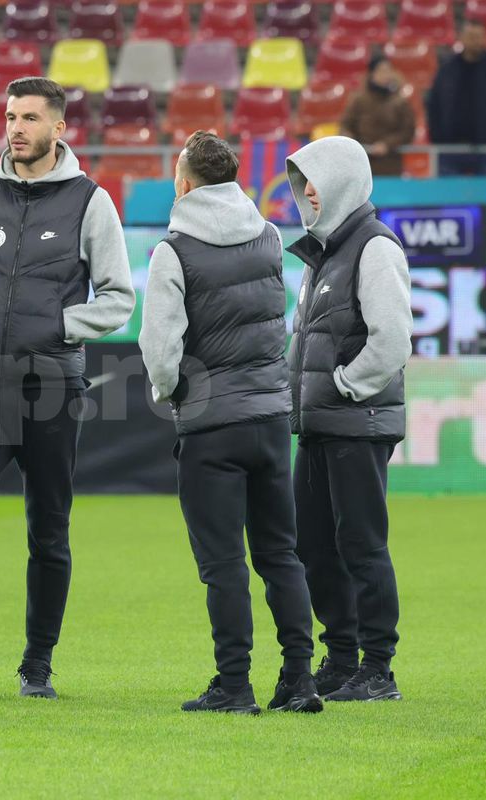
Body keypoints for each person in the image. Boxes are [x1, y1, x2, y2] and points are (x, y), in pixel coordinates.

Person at [0, 76, 134, 701]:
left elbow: (119, 298)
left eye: (30, 118)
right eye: (11, 117)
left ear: (59, 128)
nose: (16, 128)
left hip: (52, 383)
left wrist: (58, 327)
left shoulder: (91, 202)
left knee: (49, 530)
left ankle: (37, 666)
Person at [139, 131, 321, 715]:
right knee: (281, 555)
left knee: (223, 565)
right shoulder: (268, 236)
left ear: (184, 183)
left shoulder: (173, 251)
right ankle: (300, 679)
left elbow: (160, 349)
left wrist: (172, 393)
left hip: (211, 425)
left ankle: (235, 684)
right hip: (269, 418)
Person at [283, 136, 412, 702]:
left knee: (361, 544)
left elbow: (392, 341)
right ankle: (340, 658)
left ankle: (378, 669)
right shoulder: (324, 253)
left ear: (343, 180)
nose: (306, 191)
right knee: (312, 544)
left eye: (315, 178)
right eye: (302, 181)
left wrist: (341, 387)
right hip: (319, 424)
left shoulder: (374, 246)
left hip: (356, 421)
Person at [426, 19, 486, 176]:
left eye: (478, 36)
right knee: (449, 191)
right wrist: (438, 138)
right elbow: (434, 105)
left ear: (485, 38)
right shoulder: (447, 70)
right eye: (470, 36)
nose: (474, 41)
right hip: (450, 148)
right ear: (461, 38)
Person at [339, 55, 416, 177]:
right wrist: (352, 144)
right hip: (362, 163)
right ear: (372, 74)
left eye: (388, 71)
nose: (386, 75)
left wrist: (387, 144)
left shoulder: (400, 102)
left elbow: (407, 130)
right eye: (381, 71)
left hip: (391, 164)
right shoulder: (358, 100)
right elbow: (346, 125)